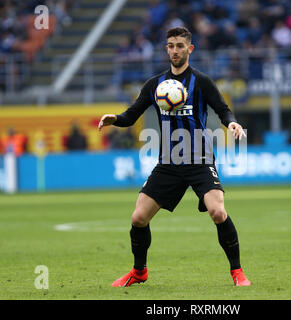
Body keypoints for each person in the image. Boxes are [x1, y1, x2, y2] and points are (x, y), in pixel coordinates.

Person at [98, 27, 251, 287]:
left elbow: (223, 109)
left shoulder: (201, 82)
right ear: (166, 49)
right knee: (138, 218)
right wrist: (116, 120)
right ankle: (139, 271)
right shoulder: (155, 84)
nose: (175, 50)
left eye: (180, 45)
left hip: (200, 159)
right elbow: (131, 114)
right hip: (168, 162)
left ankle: (237, 272)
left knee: (217, 211)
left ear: (190, 49)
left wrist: (232, 124)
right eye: (171, 45)